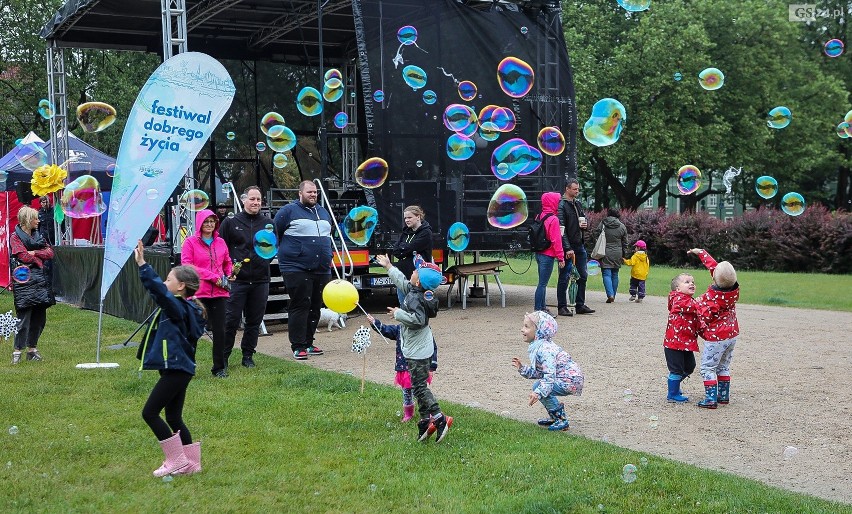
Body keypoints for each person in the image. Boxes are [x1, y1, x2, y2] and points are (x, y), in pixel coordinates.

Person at [134, 241, 206, 477]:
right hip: (180, 368)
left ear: (181, 286)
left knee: (150, 413)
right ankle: (192, 464)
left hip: (176, 368)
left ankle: (176, 460)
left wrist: (143, 265)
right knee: (173, 416)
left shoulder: (176, 306)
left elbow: (159, 291)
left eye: (169, 280)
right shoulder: (187, 307)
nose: (165, 283)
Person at [375, 253, 452, 442]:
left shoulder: (417, 299)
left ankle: (439, 418)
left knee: (418, 388)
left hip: (418, 352)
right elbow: (402, 282)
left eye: (416, 271)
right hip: (417, 348)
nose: (413, 272)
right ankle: (425, 422)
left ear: (419, 282)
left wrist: (399, 314)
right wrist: (389, 267)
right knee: (419, 385)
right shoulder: (415, 291)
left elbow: (418, 320)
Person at [274, 180, 334, 360]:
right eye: (309, 192)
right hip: (296, 267)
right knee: (300, 305)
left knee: (316, 306)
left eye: (315, 192)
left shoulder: (323, 212)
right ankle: (298, 345)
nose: (313, 195)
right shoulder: (288, 211)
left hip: (322, 268)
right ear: (300, 193)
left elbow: (327, 236)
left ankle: (308, 342)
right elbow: (275, 233)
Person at [218, 186, 273, 368]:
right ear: (243, 200)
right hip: (237, 280)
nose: (256, 202)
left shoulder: (267, 223)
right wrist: (229, 270)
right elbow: (221, 248)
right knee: (231, 320)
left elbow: (272, 248)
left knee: (254, 321)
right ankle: (223, 358)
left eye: (258, 199)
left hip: (260, 279)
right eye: (252, 199)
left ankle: (247, 356)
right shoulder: (230, 222)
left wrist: (263, 261)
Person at [511, 310, 584, 431]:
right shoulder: (539, 346)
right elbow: (540, 373)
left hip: (570, 380)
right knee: (539, 386)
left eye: (526, 326)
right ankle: (555, 417)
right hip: (567, 379)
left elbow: (549, 377)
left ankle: (561, 420)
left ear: (539, 331)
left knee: (538, 387)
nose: (522, 329)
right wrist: (522, 369)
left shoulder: (545, 350)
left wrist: (538, 393)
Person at [181, 208, 232, 378]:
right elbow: (188, 266)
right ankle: (187, 367)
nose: (209, 225)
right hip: (198, 293)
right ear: (199, 224)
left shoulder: (221, 242)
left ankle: (219, 368)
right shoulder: (189, 243)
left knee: (220, 332)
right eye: (206, 222)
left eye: (212, 222)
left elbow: (227, 262)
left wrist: (229, 273)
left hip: (219, 293)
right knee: (194, 332)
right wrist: (213, 277)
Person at [689, 248, 740, 409]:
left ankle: (711, 399)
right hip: (731, 335)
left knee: (707, 368)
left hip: (717, 338)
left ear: (715, 281)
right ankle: (723, 396)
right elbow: (715, 268)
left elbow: (703, 314)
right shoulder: (732, 290)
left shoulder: (712, 299)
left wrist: (695, 302)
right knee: (723, 367)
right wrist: (701, 253)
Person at [366, 313, 438, 423]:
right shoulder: (399, 329)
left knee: (420, 391)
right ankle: (408, 414)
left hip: (419, 367)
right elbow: (385, 330)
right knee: (407, 393)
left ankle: (429, 413)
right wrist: (374, 322)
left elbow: (432, 347)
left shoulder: (424, 331)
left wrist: (432, 366)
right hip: (404, 368)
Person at [9, 206, 55, 364]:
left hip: (40, 283)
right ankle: (17, 351)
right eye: (35, 218)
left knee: (39, 318)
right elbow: (22, 256)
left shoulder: (39, 235)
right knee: (24, 318)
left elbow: (50, 253)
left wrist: (35, 253)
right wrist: (38, 261)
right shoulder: (15, 237)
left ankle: (32, 350)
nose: (39, 220)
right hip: (25, 283)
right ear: (28, 220)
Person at [557, 179, 594, 315]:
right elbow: (561, 230)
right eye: (574, 189)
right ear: (567, 189)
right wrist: (567, 248)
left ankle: (580, 304)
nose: (577, 191)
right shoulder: (562, 205)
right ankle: (562, 306)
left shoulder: (577, 204)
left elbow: (583, 220)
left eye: (578, 189)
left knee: (583, 275)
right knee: (564, 276)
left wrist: (586, 225)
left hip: (579, 245)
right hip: (569, 246)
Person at [663, 273, 699, 403]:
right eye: (687, 282)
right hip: (674, 344)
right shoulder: (677, 299)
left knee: (690, 366)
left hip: (685, 342)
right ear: (677, 289)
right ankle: (672, 394)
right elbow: (691, 306)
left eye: (693, 282)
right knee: (676, 369)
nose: (692, 284)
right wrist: (702, 302)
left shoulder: (689, 301)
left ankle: (675, 385)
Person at [391, 205, 433, 305]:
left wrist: (404, 248)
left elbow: (411, 247)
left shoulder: (426, 232)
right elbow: (396, 251)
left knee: (416, 307)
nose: (407, 220)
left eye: (409, 217)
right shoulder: (406, 232)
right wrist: (405, 248)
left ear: (418, 217)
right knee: (403, 305)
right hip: (403, 275)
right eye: (405, 218)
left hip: (418, 277)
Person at [534, 192, 565, 314]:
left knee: (542, 282)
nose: (559, 203)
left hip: (539, 252)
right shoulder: (554, 219)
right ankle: (538, 309)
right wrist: (561, 258)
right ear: (553, 202)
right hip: (548, 255)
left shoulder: (540, 215)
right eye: (557, 201)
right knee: (542, 284)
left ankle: (542, 307)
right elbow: (556, 241)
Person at [592, 208, 628, 303]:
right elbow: (625, 242)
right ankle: (613, 295)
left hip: (605, 251)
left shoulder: (603, 223)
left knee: (606, 274)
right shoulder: (622, 226)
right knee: (615, 274)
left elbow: (595, 234)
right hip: (617, 252)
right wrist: (624, 253)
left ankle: (610, 294)